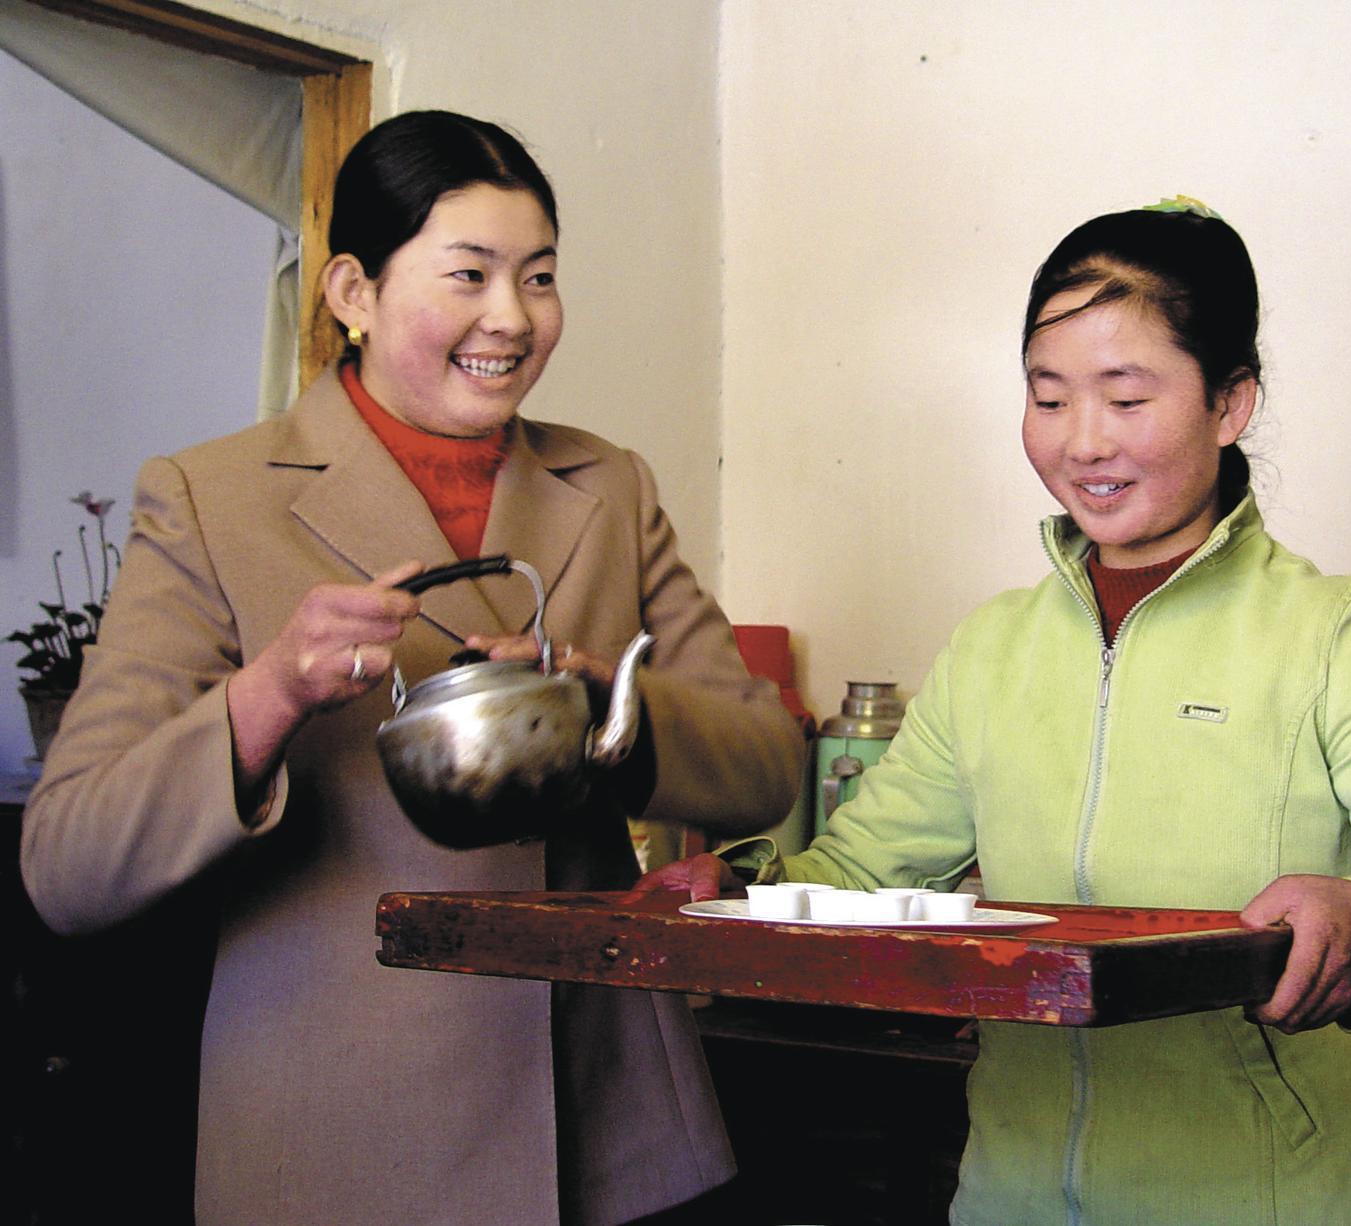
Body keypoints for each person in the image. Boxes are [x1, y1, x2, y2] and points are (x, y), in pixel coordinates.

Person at [635, 201, 1351, 1224]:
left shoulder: (1330, 632)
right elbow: (860, 876)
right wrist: (739, 889)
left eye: (1126, 398)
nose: (1082, 441)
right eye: (1048, 397)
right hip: (1011, 1199)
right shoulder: (993, 648)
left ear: (1230, 403)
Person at [21, 110, 803, 1225]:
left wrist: (598, 704)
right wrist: (272, 691)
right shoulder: (211, 499)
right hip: (343, 1129)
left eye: (539, 277)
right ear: (354, 291)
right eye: (469, 274)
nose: (512, 317)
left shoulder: (609, 484)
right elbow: (68, 865)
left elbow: (764, 762)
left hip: (608, 1120)